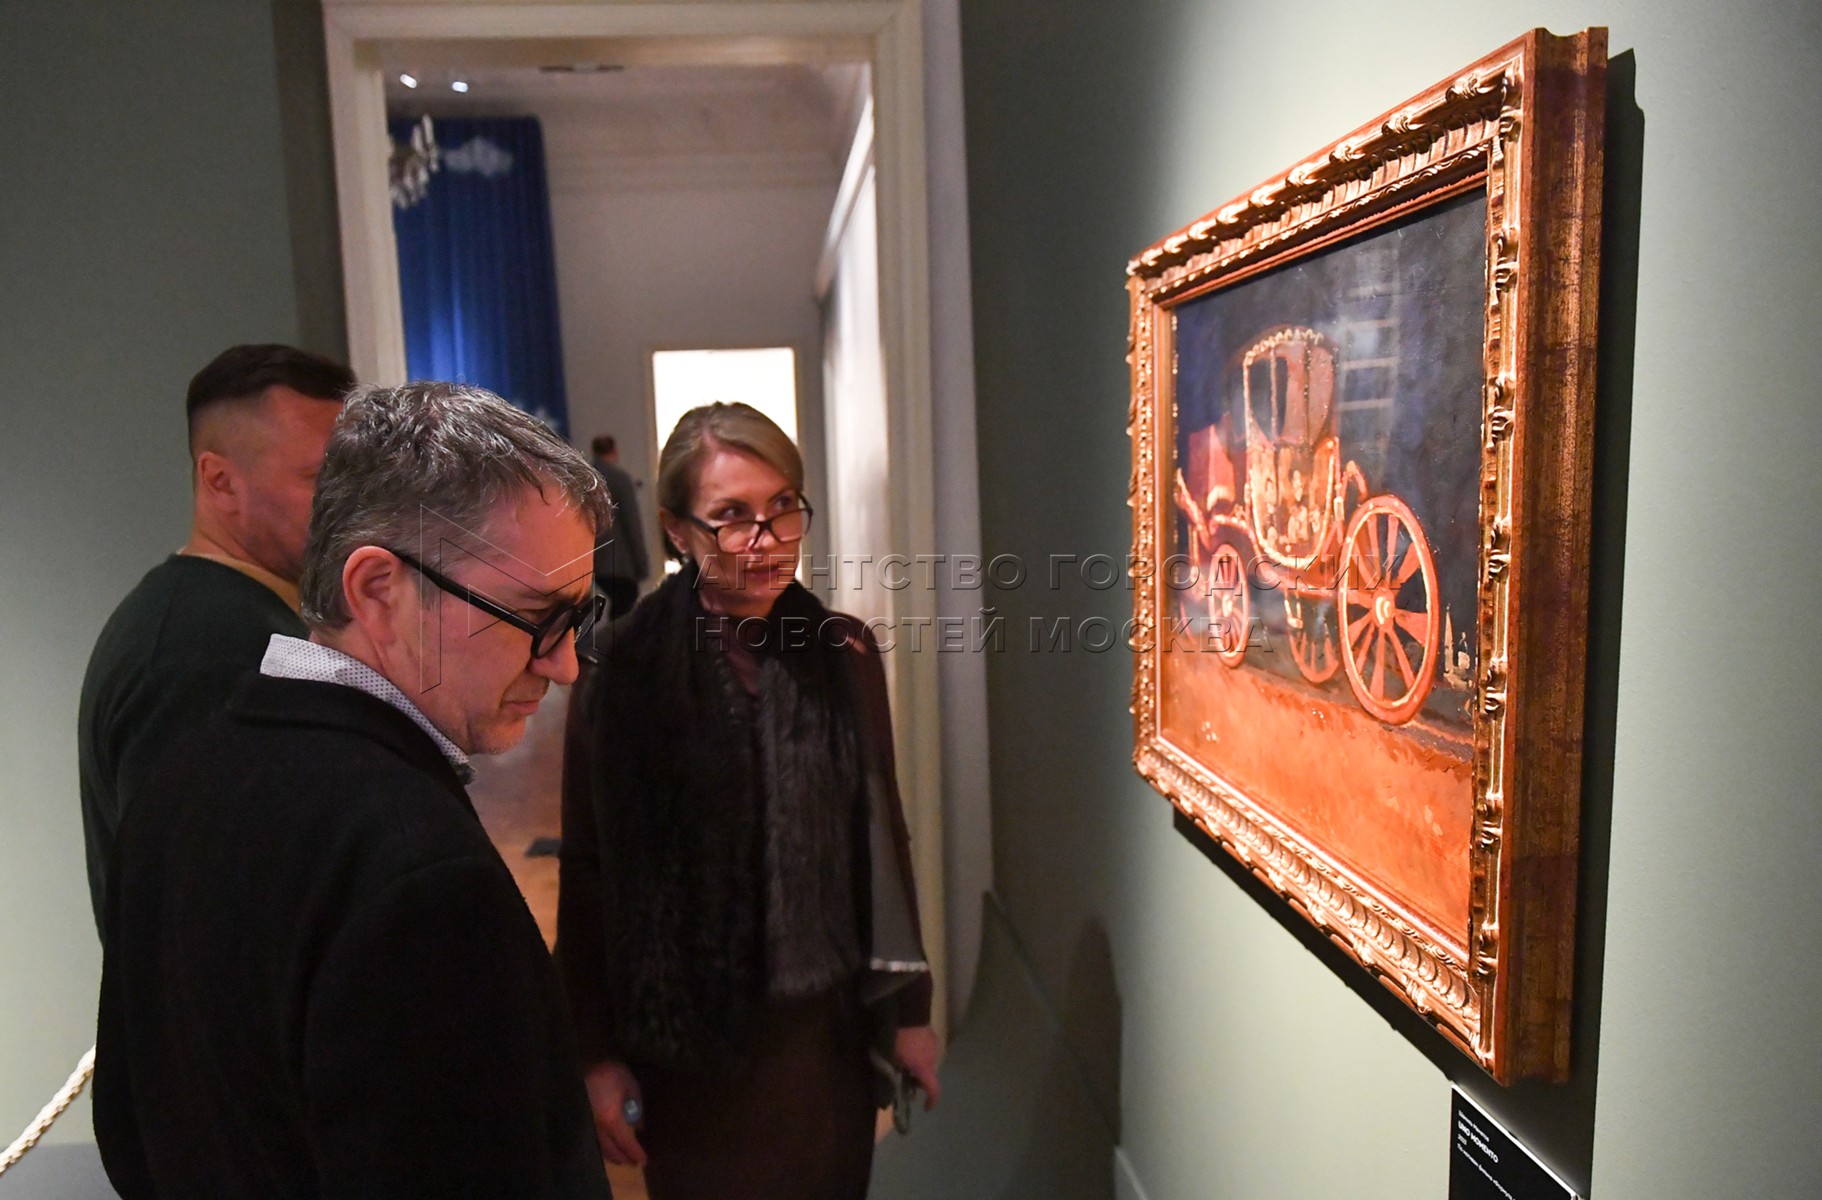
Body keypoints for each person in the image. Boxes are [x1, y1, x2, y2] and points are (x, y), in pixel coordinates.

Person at [93, 382, 616, 1199]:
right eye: (536, 618)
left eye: (579, 620)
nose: (565, 664)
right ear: (377, 589)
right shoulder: (421, 875)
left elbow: (130, 1129)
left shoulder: (174, 784)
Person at [557, 402, 940, 1200]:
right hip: (687, 1055)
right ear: (677, 530)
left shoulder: (843, 653)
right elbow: (590, 868)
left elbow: (883, 836)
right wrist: (592, 1052)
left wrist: (910, 1012)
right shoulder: (620, 669)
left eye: (783, 507)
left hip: (822, 1043)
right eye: (732, 516)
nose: (767, 540)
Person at [77, 343, 353, 931]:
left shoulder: (220, 626)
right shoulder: (199, 655)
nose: (349, 504)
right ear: (220, 481)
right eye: (319, 478)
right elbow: (201, 923)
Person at [588, 434, 650, 620]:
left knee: (618, 607)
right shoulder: (619, 479)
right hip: (619, 561)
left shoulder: (584, 479)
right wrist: (642, 565)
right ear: (614, 451)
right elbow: (632, 522)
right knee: (626, 606)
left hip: (595, 559)